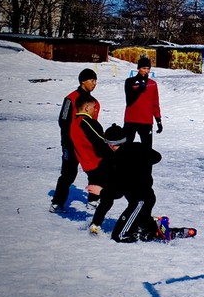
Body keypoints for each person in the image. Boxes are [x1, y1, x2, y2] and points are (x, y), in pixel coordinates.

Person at [87, 124, 163, 242]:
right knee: (139, 226)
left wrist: (100, 191)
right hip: (144, 199)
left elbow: (118, 191)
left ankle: (151, 232)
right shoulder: (137, 147)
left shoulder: (119, 161)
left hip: (140, 202)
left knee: (120, 236)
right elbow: (157, 156)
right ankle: (155, 227)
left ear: (111, 144)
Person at [50, 68, 100, 212]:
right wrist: (67, 142)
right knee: (68, 174)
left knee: (95, 171)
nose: (94, 83)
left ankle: (93, 201)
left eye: (95, 80)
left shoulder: (94, 102)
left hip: (87, 144)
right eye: (92, 80)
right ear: (83, 81)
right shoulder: (70, 98)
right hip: (70, 143)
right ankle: (56, 203)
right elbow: (63, 120)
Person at [69, 94, 112, 210]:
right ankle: (97, 203)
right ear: (87, 107)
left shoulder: (74, 123)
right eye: (94, 107)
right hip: (96, 160)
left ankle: (93, 202)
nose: (96, 109)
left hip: (86, 162)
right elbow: (101, 141)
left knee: (95, 181)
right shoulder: (87, 122)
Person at [124, 56, 162, 147]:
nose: (146, 71)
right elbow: (129, 100)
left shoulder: (152, 84)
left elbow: (155, 103)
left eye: (148, 68)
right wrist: (140, 88)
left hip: (146, 120)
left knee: (147, 150)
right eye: (143, 68)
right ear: (138, 68)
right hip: (131, 119)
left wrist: (158, 120)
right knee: (125, 148)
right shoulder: (130, 81)